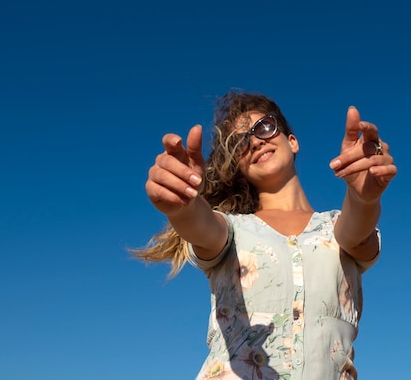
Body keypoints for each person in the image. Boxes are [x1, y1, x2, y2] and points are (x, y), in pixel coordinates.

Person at [132, 90, 397, 379]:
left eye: (265, 127)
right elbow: (201, 225)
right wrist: (182, 206)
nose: (256, 141)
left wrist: (364, 198)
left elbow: (356, 233)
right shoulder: (232, 229)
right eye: (240, 143)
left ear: (292, 141)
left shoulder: (335, 228)